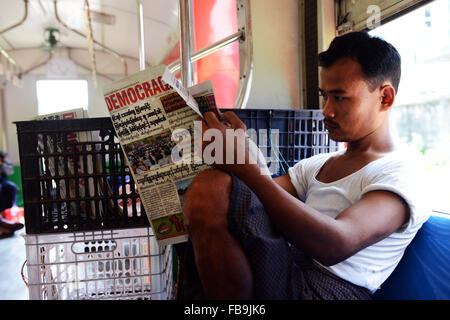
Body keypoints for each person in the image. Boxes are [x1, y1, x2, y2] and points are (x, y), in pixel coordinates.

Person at [176, 31, 429, 300]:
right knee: (213, 191)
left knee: (212, 189)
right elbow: (247, 201)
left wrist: (243, 166)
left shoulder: (402, 174)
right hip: (290, 267)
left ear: (385, 98)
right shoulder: (319, 165)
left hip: (327, 290)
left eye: (340, 97)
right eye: (324, 96)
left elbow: (335, 244)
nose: (327, 110)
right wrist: (236, 151)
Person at [0, 151, 23, 239]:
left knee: (12, 188)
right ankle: (3, 225)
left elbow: (10, 171)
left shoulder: (3, 159)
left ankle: (5, 220)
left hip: (2, 180)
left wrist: (3, 163)